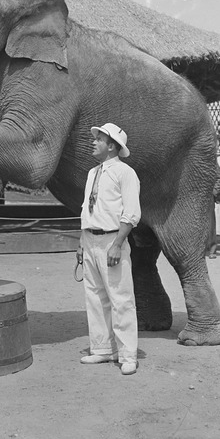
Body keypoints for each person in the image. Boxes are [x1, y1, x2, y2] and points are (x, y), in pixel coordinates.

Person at [77, 122, 141, 376]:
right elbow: (87, 209)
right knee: (95, 296)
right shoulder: (92, 173)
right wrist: (81, 243)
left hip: (112, 240)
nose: (93, 142)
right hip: (91, 239)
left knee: (120, 298)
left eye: (99, 139)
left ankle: (128, 355)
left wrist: (117, 244)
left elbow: (132, 212)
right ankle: (103, 349)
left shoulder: (125, 173)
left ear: (112, 145)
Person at [206, 161, 220, 259]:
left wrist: (213, 193)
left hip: (208, 197)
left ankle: (212, 249)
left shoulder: (211, 161)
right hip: (194, 198)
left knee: (210, 224)